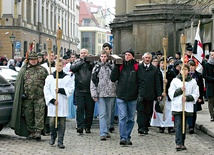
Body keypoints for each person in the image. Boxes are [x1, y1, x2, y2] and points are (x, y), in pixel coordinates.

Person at [10, 50, 49, 140]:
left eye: (35, 59)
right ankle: (31, 131)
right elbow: (19, 83)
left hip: (39, 97)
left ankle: (38, 132)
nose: (33, 61)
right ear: (28, 60)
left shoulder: (43, 70)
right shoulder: (24, 70)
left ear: (38, 59)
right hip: (27, 97)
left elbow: (48, 83)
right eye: (31, 59)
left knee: (39, 115)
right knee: (28, 115)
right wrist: (21, 93)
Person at [44, 59, 74, 149]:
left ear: (63, 66)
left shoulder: (67, 77)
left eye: (60, 65)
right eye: (57, 65)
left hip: (62, 103)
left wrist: (61, 90)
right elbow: (46, 90)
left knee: (62, 123)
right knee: (52, 122)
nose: (59, 67)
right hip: (53, 104)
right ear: (55, 66)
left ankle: (60, 140)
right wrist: (52, 100)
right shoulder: (50, 77)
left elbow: (70, 89)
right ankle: (53, 136)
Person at [110, 48, 138, 146]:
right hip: (121, 96)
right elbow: (113, 78)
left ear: (133, 56)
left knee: (130, 118)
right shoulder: (120, 65)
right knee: (122, 117)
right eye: (126, 55)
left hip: (133, 96)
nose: (127, 56)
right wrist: (115, 67)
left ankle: (127, 136)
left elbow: (140, 80)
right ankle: (123, 137)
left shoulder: (136, 66)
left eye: (129, 55)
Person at [168, 64, 199, 151]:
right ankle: (178, 143)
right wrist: (180, 90)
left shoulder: (192, 81)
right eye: (182, 69)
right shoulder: (175, 81)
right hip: (177, 106)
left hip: (186, 106)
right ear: (179, 70)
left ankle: (182, 142)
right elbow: (171, 93)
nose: (184, 71)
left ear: (188, 71)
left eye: (186, 69)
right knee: (178, 125)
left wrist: (188, 98)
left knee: (183, 125)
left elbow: (196, 93)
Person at [90, 50, 116, 140]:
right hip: (100, 93)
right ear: (100, 57)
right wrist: (94, 94)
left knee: (109, 114)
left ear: (107, 57)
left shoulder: (112, 67)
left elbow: (116, 79)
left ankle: (107, 129)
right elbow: (93, 81)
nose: (103, 58)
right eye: (102, 56)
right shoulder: (96, 67)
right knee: (102, 114)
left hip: (111, 93)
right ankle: (103, 132)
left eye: (105, 56)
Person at [70, 48, 95, 134]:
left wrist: (89, 61)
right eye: (82, 53)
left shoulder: (91, 63)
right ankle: (80, 126)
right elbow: (73, 68)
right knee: (80, 109)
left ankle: (88, 126)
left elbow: (94, 68)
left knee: (89, 110)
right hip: (79, 90)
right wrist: (82, 61)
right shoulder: (77, 62)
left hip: (89, 90)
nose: (83, 54)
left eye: (85, 53)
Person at [137, 52, 162, 135]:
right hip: (140, 93)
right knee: (140, 111)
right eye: (146, 57)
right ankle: (141, 127)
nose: (147, 59)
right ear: (143, 58)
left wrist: (159, 94)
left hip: (150, 93)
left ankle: (146, 126)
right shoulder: (139, 68)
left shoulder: (154, 69)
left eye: (149, 58)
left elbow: (157, 82)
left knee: (148, 111)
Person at [150, 57, 176, 133]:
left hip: (168, 95)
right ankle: (161, 126)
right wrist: (160, 93)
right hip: (159, 95)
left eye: (165, 63)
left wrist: (168, 82)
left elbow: (174, 83)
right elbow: (155, 84)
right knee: (160, 111)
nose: (163, 65)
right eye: (162, 63)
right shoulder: (156, 72)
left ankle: (169, 126)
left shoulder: (171, 73)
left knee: (168, 111)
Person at [102, 42, 117, 133]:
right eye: (104, 49)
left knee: (111, 108)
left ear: (110, 50)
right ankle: (104, 128)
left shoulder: (114, 59)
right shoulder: (100, 60)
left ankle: (110, 124)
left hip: (112, 87)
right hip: (103, 88)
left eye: (107, 49)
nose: (105, 51)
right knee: (103, 111)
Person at [187, 60, 204, 133]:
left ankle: (192, 126)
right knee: (188, 111)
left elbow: (201, 87)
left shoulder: (198, 75)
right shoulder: (185, 75)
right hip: (187, 96)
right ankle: (189, 125)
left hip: (195, 96)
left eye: (192, 66)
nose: (191, 67)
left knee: (194, 112)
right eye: (190, 66)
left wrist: (200, 97)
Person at [203, 50, 214, 121]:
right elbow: (204, 75)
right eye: (212, 55)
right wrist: (212, 79)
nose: (213, 56)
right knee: (211, 101)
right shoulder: (207, 65)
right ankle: (212, 115)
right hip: (210, 85)